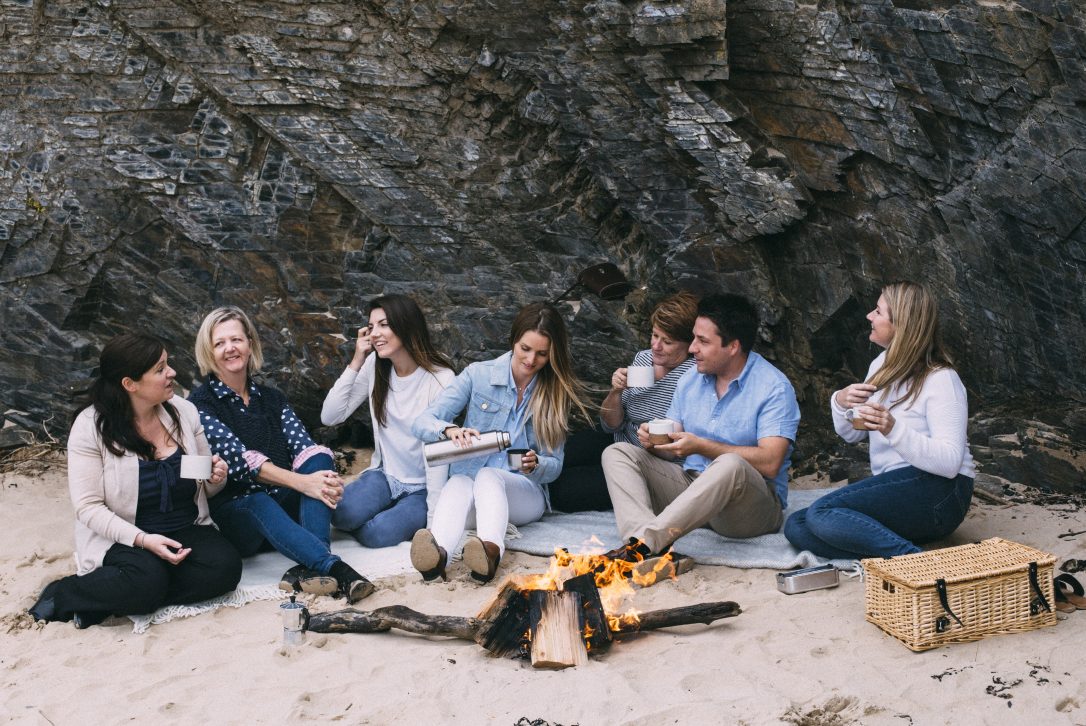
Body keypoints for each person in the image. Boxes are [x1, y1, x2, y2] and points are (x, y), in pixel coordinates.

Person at [29, 334, 242, 628]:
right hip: (126, 534)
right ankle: (62, 593)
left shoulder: (183, 411)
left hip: (184, 526)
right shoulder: (90, 427)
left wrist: (217, 476)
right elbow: (88, 507)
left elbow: (202, 481)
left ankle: (122, 597)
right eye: (160, 369)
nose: (172, 373)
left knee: (225, 569)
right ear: (130, 384)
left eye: (167, 364)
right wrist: (144, 540)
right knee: (146, 579)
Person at [188, 307, 374, 603]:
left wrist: (316, 478)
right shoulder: (200, 405)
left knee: (319, 460)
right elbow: (242, 462)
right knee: (259, 498)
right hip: (239, 516)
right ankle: (332, 567)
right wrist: (304, 484)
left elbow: (303, 447)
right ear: (209, 352)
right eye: (219, 343)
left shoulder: (271, 398)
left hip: (282, 503)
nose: (230, 349)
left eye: (236, 339)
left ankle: (313, 566)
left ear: (249, 343)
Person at [602, 293, 800, 564]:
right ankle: (650, 552)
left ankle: (645, 543)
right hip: (691, 489)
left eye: (703, 341)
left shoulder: (773, 387)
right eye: (694, 338)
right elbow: (673, 449)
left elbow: (770, 463)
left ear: (733, 346)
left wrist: (701, 446)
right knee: (618, 452)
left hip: (746, 510)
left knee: (731, 464)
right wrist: (655, 442)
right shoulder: (691, 378)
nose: (692, 348)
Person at [784, 282, 975, 560]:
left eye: (878, 311)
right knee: (797, 526)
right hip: (898, 489)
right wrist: (841, 402)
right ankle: (894, 549)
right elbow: (853, 435)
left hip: (942, 493)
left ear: (902, 324)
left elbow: (948, 463)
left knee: (822, 513)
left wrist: (892, 427)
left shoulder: (941, 379)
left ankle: (910, 560)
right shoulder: (881, 365)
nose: (869, 317)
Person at [408, 302, 591, 583]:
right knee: (457, 482)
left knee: (489, 475)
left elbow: (554, 467)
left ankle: (490, 552)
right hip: (469, 496)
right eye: (525, 349)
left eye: (542, 354)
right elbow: (422, 422)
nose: (531, 360)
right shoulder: (477, 375)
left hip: (523, 495)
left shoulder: (554, 393)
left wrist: (536, 464)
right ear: (513, 341)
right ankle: (438, 557)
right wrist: (448, 430)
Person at [321, 294, 455, 547]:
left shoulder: (442, 379)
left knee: (376, 534)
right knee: (339, 514)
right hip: (385, 475)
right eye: (371, 327)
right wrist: (357, 359)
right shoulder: (375, 365)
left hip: (423, 487)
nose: (374, 334)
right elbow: (330, 416)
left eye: (384, 325)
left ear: (406, 325)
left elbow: (439, 456)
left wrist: (434, 522)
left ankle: (390, 515)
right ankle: (381, 508)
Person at [548, 291, 698, 512]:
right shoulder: (644, 358)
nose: (656, 346)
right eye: (655, 336)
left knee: (563, 490)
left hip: (646, 461)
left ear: (690, 345)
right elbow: (611, 424)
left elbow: (676, 451)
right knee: (556, 458)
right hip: (617, 437)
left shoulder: (693, 377)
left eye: (667, 342)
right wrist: (616, 391)